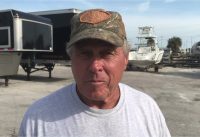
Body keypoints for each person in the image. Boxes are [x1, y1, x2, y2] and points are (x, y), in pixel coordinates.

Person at [19, 9, 171, 137]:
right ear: (71, 58)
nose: (95, 66)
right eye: (85, 54)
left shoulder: (147, 110)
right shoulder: (39, 118)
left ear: (125, 59)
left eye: (106, 53)